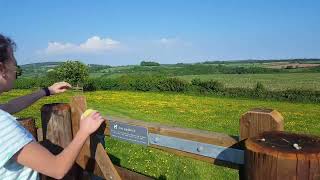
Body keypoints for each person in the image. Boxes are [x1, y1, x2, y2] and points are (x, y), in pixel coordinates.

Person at [0, 34, 105, 179]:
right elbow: (57, 169)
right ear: (2, 69)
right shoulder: (2, 125)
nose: (16, 70)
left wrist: (47, 91)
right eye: (14, 64)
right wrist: (84, 131)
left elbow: (9, 106)